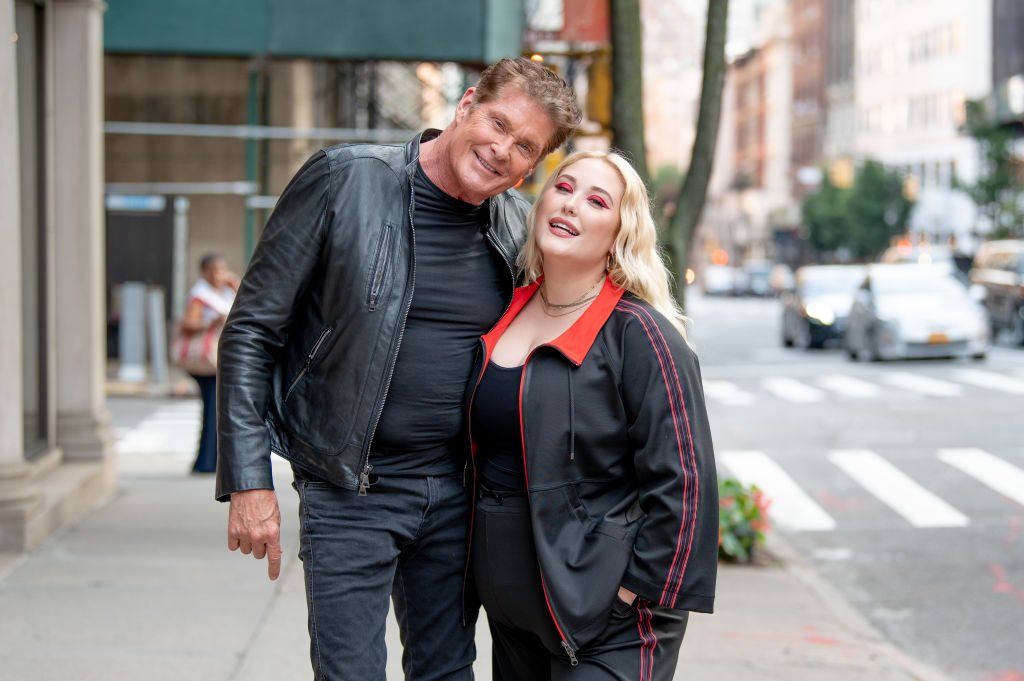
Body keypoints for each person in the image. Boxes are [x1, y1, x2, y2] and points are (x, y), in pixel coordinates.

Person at [215, 57, 581, 681]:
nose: (502, 151)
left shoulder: (519, 228)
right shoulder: (346, 179)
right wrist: (249, 480)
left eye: (525, 147)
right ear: (466, 104)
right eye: (498, 123)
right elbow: (252, 330)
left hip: (459, 496)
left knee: (447, 671)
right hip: (349, 487)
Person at [467, 150, 719, 680]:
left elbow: (685, 484)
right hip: (515, 620)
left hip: (610, 625)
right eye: (563, 188)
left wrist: (632, 592)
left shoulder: (640, 334)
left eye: (596, 200)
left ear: (619, 234)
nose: (571, 205)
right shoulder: (503, 311)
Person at [178, 253, 238, 474]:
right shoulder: (200, 296)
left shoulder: (222, 292)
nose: (218, 275)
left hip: (220, 360)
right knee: (213, 410)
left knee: (217, 410)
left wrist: (235, 284)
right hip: (207, 363)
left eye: (221, 270)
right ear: (203, 272)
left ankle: (208, 461)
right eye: (213, 270)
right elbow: (187, 324)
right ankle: (206, 462)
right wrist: (211, 322)